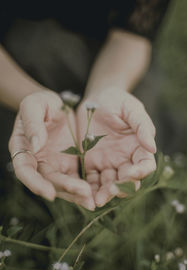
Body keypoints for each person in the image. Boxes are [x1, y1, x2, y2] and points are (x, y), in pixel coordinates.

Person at [0, 1, 170, 210]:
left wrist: (104, 91)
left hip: (112, 57)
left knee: (136, 140)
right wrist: (30, 97)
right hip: (13, 62)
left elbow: (133, 35)